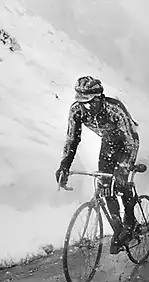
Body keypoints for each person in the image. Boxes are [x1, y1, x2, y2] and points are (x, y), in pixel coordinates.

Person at [56, 76, 141, 255]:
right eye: (80, 101)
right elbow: (72, 139)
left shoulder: (114, 109)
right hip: (108, 142)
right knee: (104, 185)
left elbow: (131, 139)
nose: (84, 106)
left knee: (120, 181)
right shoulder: (76, 111)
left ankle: (130, 220)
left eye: (88, 102)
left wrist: (124, 167)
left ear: (99, 97)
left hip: (126, 142)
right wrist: (64, 165)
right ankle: (118, 229)